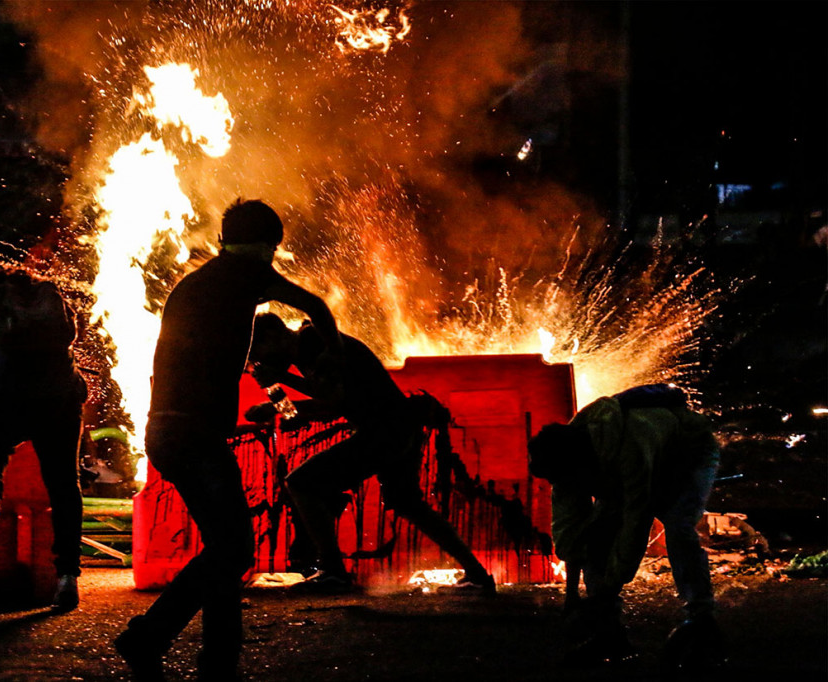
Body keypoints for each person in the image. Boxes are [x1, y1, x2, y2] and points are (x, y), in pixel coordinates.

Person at [115, 199, 342, 682]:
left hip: (170, 431)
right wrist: (334, 359)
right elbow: (316, 305)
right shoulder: (244, 273)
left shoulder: (201, 283)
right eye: (273, 250)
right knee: (234, 549)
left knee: (225, 545)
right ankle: (150, 637)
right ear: (265, 247)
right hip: (194, 433)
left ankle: (217, 660)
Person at [245, 313, 496, 594]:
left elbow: (332, 398)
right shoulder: (306, 351)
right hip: (395, 427)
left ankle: (333, 571)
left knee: (301, 483)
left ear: (272, 336)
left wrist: (280, 378)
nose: (260, 359)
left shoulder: (314, 341)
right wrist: (274, 398)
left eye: (258, 351)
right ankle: (477, 574)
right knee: (408, 503)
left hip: (383, 430)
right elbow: (315, 407)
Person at [527, 384, 725, 671]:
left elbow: (636, 523)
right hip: (632, 463)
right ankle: (610, 636)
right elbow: (571, 529)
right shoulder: (564, 459)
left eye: (567, 479)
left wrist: (603, 595)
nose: (566, 486)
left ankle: (702, 621)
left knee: (678, 527)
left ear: (580, 465)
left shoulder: (628, 448)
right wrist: (571, 596)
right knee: (596, 535)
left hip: (689, 453)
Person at [0, 269, 88, 611]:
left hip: (3, 397)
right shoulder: (52, 297)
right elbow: (71, 337)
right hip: (59, 399)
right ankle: (67, 578)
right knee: (63, 485)